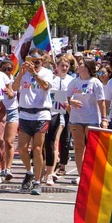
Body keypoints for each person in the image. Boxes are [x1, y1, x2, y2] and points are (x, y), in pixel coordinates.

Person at [12, 49, 54, 195]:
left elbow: (45, 86)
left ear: (42, 61)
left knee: (37, 149)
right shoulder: (23, 72)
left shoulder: (46, 73)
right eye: (32, 61)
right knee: (22, 148)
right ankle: (29, 172)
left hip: (41, 114)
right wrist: (22, 73)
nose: (34, 64)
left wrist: (34, 74)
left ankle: (37, 181)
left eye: (37, 61)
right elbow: (14, 88)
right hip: (24, 113)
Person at [66, 57, 106, 185]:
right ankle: (81, 175)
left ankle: (93, 173)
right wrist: (71, 101)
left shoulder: (95, 82)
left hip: (92, 119)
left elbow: (101, 102)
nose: (78, 66)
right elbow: (64, 97)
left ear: (87, 67)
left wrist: (104, 119)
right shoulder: (74, 82)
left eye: (81, 64)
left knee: (92, 149)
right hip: (76, 119)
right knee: (78, 147)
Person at [45, 56, 73, 186]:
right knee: (49, 142)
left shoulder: (70, 80)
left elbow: (68, 98)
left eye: (67, 66)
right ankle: (49, 166)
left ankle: (55, 167)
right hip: (49, 113)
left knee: (59, 141)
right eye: (62, 65)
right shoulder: (52, 78)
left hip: (63, 113)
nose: (64, 68)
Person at [0, 59, 18, 182]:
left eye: (9, 69)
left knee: (9, 142)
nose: (7, 71)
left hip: (12, 111)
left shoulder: (15, 80)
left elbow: (12, 95)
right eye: (4, 69)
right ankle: (1, 167)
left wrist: (9, 91)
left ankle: (8, 168)